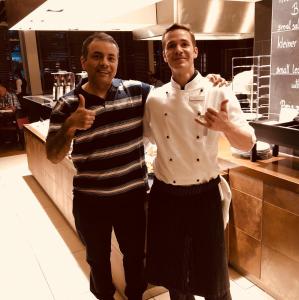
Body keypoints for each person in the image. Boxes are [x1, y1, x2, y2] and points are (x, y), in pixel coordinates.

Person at [45, 31, 226, 300]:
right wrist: (71, 125)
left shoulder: (136, 92)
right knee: (98, 261)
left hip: (131, 198)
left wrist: (209, 82)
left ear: (117, 62)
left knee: (135, 260)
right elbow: (53, 154)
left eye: (111, 58)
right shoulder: (68, 104)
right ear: (83, 62)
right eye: (97, 56)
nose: (105, 63)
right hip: (90, 200)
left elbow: (175, 95)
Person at [143, 24, 256, 300]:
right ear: (164, 55)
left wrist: (226, 126)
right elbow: (144, 141)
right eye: (171, 45)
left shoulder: (218, 91)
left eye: (184, 44)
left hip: (203, 196)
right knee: (175, 278)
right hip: (166, 197)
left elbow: (248, 142)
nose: (178, 49)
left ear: (195, 50)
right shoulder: (155, 99)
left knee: (213, 277)